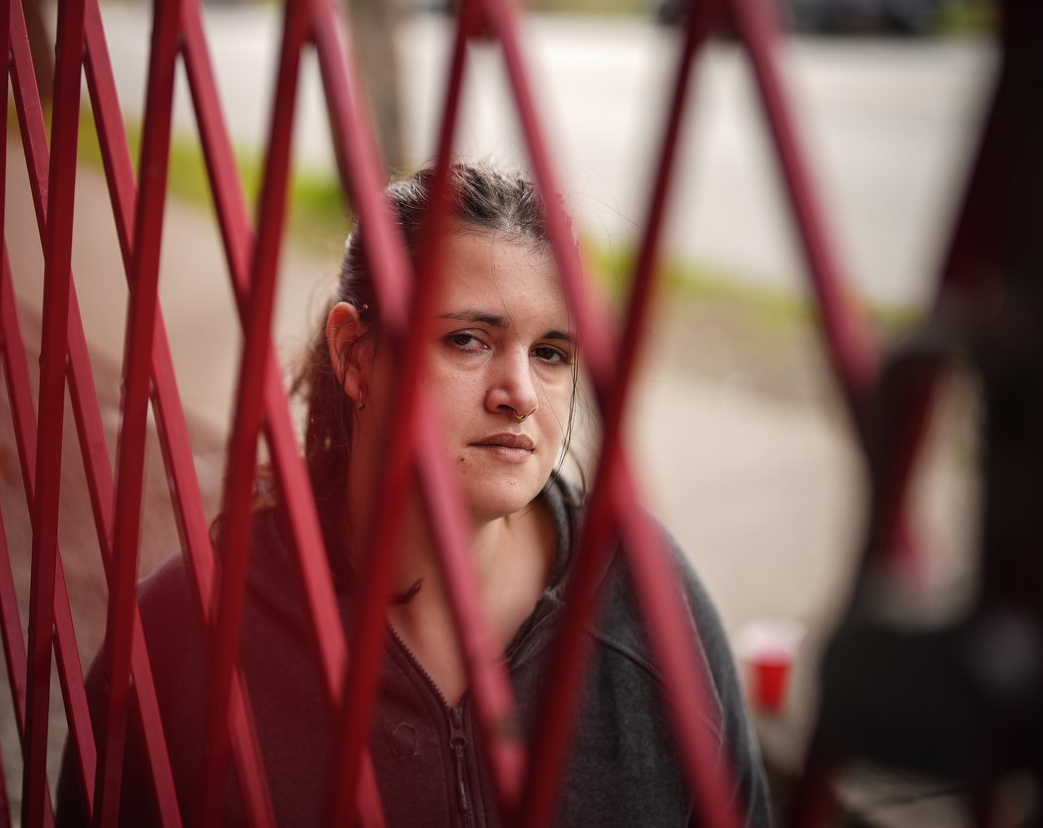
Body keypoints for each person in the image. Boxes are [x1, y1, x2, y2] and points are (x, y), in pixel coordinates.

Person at [57, 163, 769, 825]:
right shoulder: (185, 638)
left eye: (551, 352)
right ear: (355, 355)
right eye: (467, 339)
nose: (520, 393)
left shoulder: (646, 596)